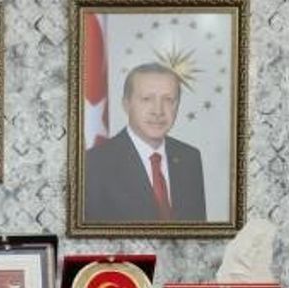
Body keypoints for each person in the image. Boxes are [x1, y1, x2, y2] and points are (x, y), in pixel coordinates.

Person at [83, 63, 206, 223]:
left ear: (177, 105)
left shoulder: (189, 158)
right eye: (147, 99)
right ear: (126, 104)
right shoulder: (93, 164)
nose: (158, 111)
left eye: (168, 100)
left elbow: (198, 232)